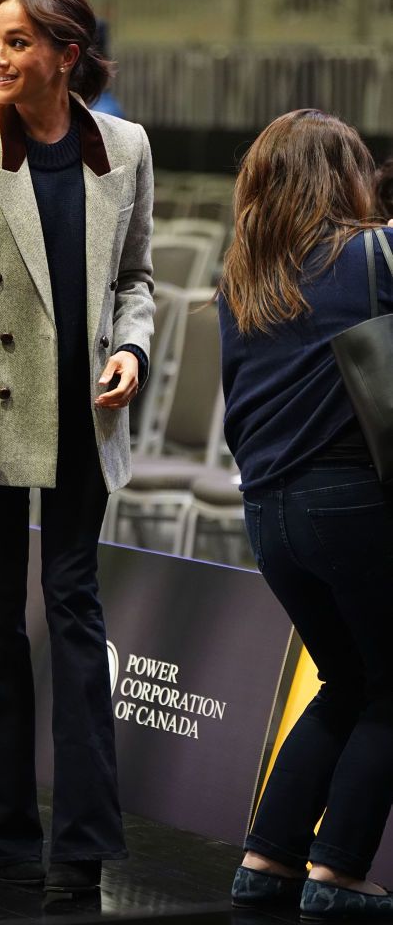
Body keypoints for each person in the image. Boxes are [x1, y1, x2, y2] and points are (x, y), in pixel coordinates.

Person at [0, 0, 154, 891]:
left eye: (17, 43)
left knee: (76, 608)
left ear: (66, 53)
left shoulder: (122, 146)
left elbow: (138, 277)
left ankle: (83, 844)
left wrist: (131, 348)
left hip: (89, 413)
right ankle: (3, 839)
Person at [219, 110, 393, 920]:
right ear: (344, 175)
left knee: (349, 680)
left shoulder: (243, 279)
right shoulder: (370, 255)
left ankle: (269, 859)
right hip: (352, 503)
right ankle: (338, 876)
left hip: (267, 513)